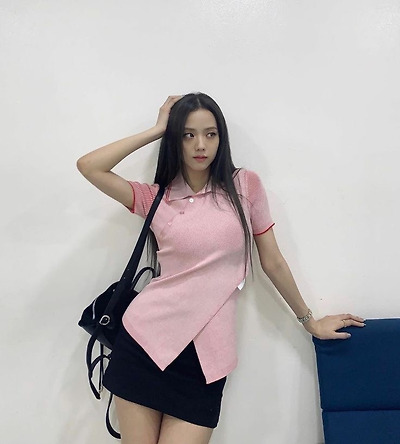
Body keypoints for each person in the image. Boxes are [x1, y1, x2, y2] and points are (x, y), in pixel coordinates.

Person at [76, 93, 365, 444]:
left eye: (210, 134)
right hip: (144, 345)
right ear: (175, 139)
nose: (201, 145)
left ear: (220, 138)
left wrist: (310, 321)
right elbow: (89, 166)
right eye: (188, 134)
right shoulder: (156, 197)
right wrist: (157, 129)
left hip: (205, 360)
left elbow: (272, 260)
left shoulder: (245, 186)